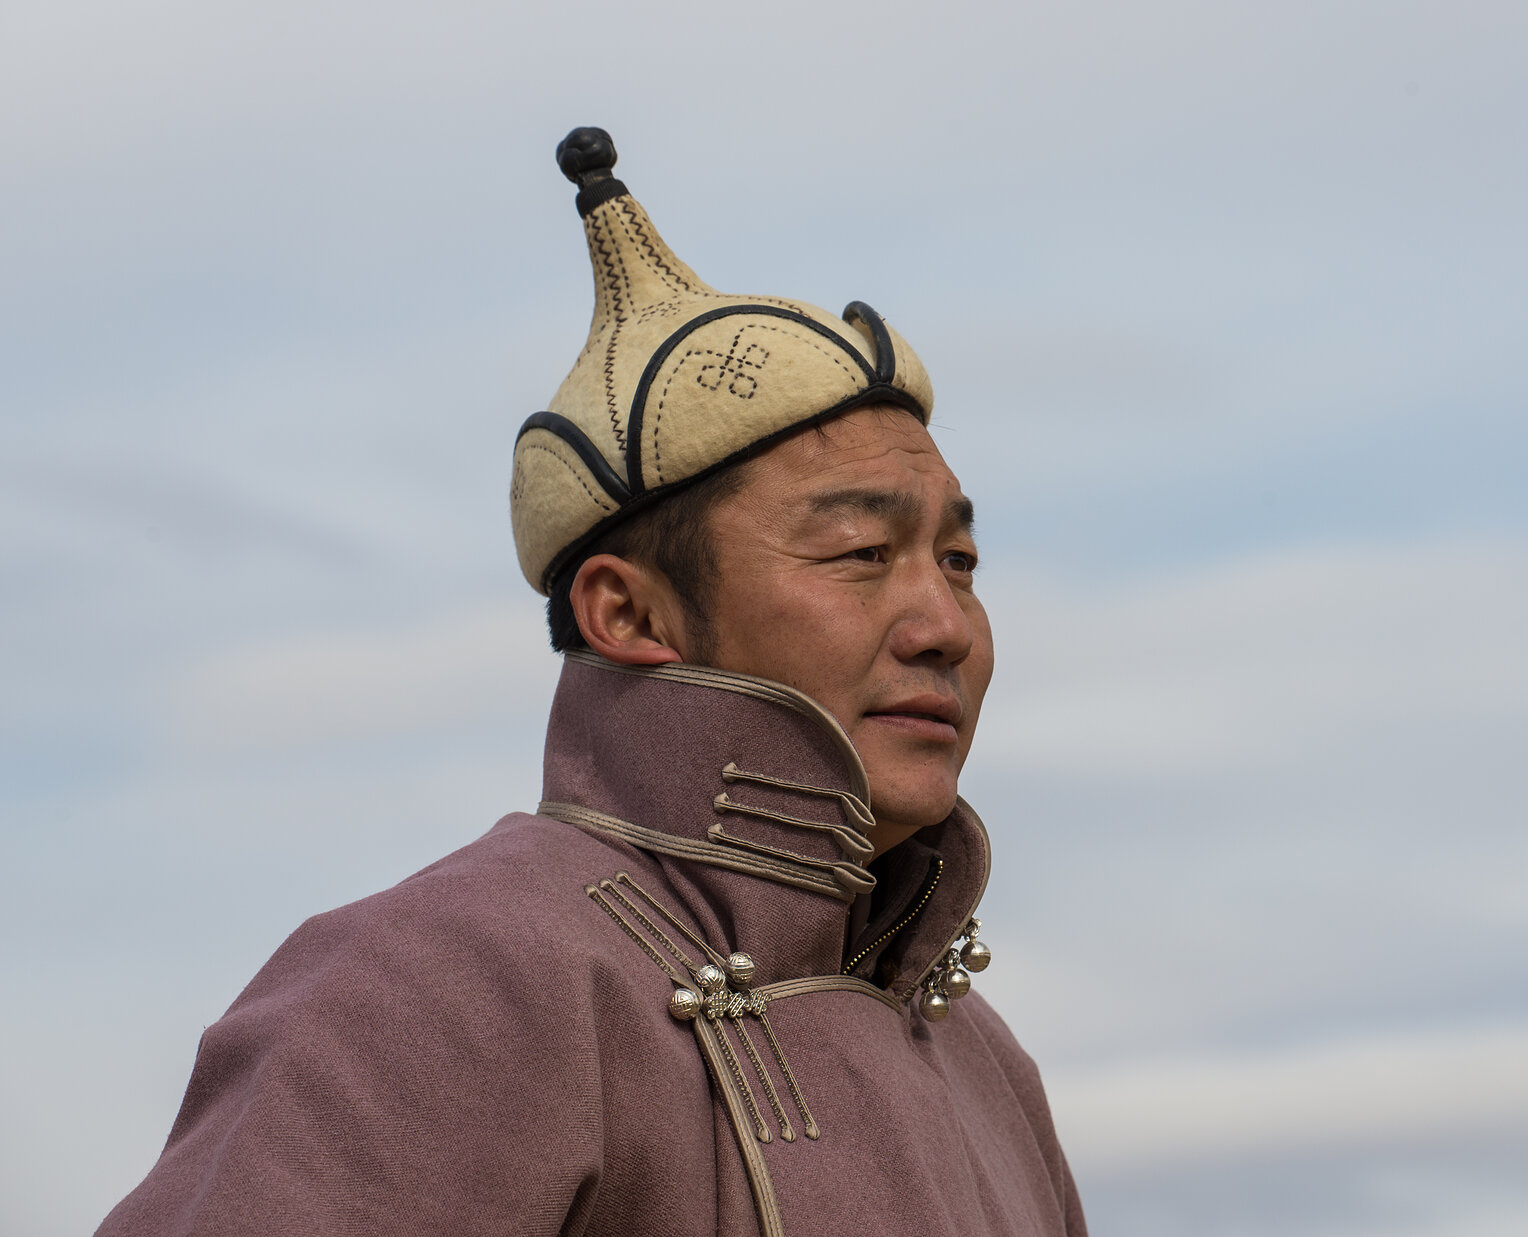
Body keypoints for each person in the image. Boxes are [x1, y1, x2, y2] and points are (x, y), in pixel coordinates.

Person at [98, 126, 1087, 1237]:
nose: (944, 624)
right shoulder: (448, 980)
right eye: (860, 553)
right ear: (624, 612)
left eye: (959, 562)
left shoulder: (977, 1053)